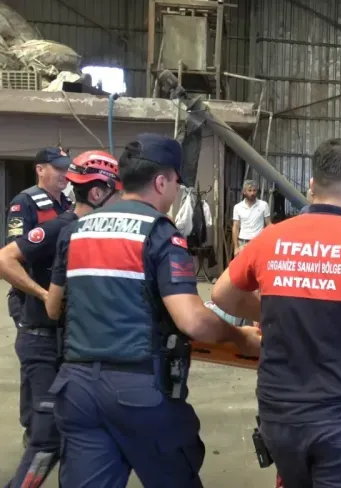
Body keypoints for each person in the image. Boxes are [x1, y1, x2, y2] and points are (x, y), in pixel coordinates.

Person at [43, 134, 262, 487]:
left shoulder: (76, 231)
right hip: (140, 391)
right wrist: (239, 336)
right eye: (176, 182)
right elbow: (193, 321)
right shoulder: (159, 232)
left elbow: (54, 308)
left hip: (77, 389)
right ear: (161, 182)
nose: (175, 190)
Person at [210, 138, 341, 488]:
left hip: (278, 417)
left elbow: (222, 294)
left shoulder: (272, 236)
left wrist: (276, 311)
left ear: (312, 185)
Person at [0, 150, 121, 488]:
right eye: (116, 193)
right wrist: (43, 295)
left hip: (70, 342)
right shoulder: (58, 226)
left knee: (75, 431)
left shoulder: (87, 226)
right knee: (47, 438)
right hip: (41, 337)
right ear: (97, 193)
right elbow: (5, 260)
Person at [5, 147, 72, 445]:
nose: (64, 174)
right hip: (30, 298)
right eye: (58, 168)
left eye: (67, 168)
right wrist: (41, 294)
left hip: (58, 298)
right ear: (40, 169)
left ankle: (51, 424)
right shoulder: (25, 203)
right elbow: (12, 258)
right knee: (35, 362)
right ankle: (33, 429)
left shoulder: (68, 205)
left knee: (55, 361)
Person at [232, 179, 270, 255]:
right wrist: (236, 247)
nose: (252, 193)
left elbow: (269, 225)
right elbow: (235, 227)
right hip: (243, 243)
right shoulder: (238, 207)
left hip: (259, 242)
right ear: (244, 192)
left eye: (254, 190)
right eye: (249, 190)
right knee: (243, 263)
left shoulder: (264, 205)